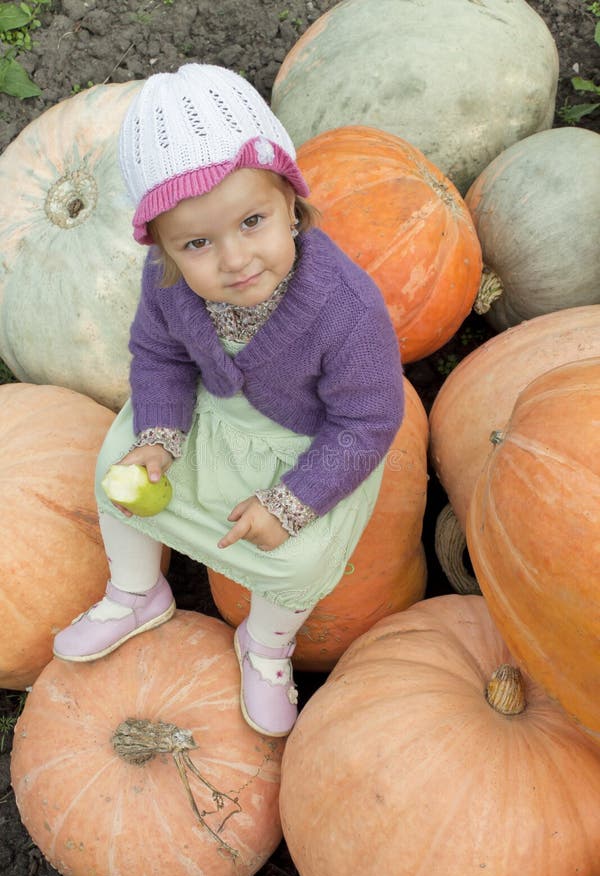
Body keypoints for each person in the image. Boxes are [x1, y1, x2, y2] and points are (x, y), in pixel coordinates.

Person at [53, 63, 404, 738]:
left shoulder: (346, 309)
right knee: (115, 472)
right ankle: (137, 590)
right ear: (162, 248)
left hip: (314, 446)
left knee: (294, 557)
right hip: (212, 417)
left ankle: (266, 645)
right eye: (198, 243)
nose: (235, 258)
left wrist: (291, 502)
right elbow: (159, 357)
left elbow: (368, 421)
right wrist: (159, 435)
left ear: (292, 204)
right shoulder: (169, 288)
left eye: (252, 221)